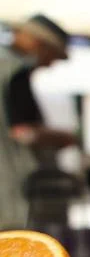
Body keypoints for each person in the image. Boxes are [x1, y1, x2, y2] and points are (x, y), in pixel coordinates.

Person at [0, 14, 77, 229]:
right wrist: (64, 138)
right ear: (37, 43)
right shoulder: (14, 70)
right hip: (9, 189)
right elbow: (23, 132)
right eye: (51, 56)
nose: (50, 64)